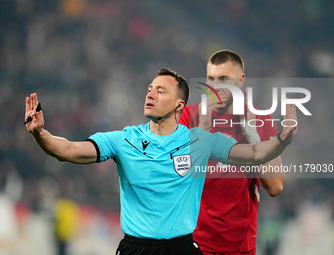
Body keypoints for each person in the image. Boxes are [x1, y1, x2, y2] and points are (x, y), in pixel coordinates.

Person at [25, 68, 296, 255]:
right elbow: (67, 150)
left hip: (181, 248)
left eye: (160, 91)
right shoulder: (123, 140)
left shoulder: (201, 142)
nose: (150, 94)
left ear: (179, 104)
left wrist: (280, 137)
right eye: (149, 89)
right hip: (134, 248)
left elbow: (257, 156)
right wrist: (40, 133)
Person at [179, 50, 285, 255]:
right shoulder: (188, 116)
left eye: (223, 79)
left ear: (240, 80)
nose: (215, 86)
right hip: (193, 243)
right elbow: (173, 177)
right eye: (211, 79)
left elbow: (276, 186)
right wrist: (201, 131)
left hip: (240, 246)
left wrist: (254, 140)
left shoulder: (260, 120)